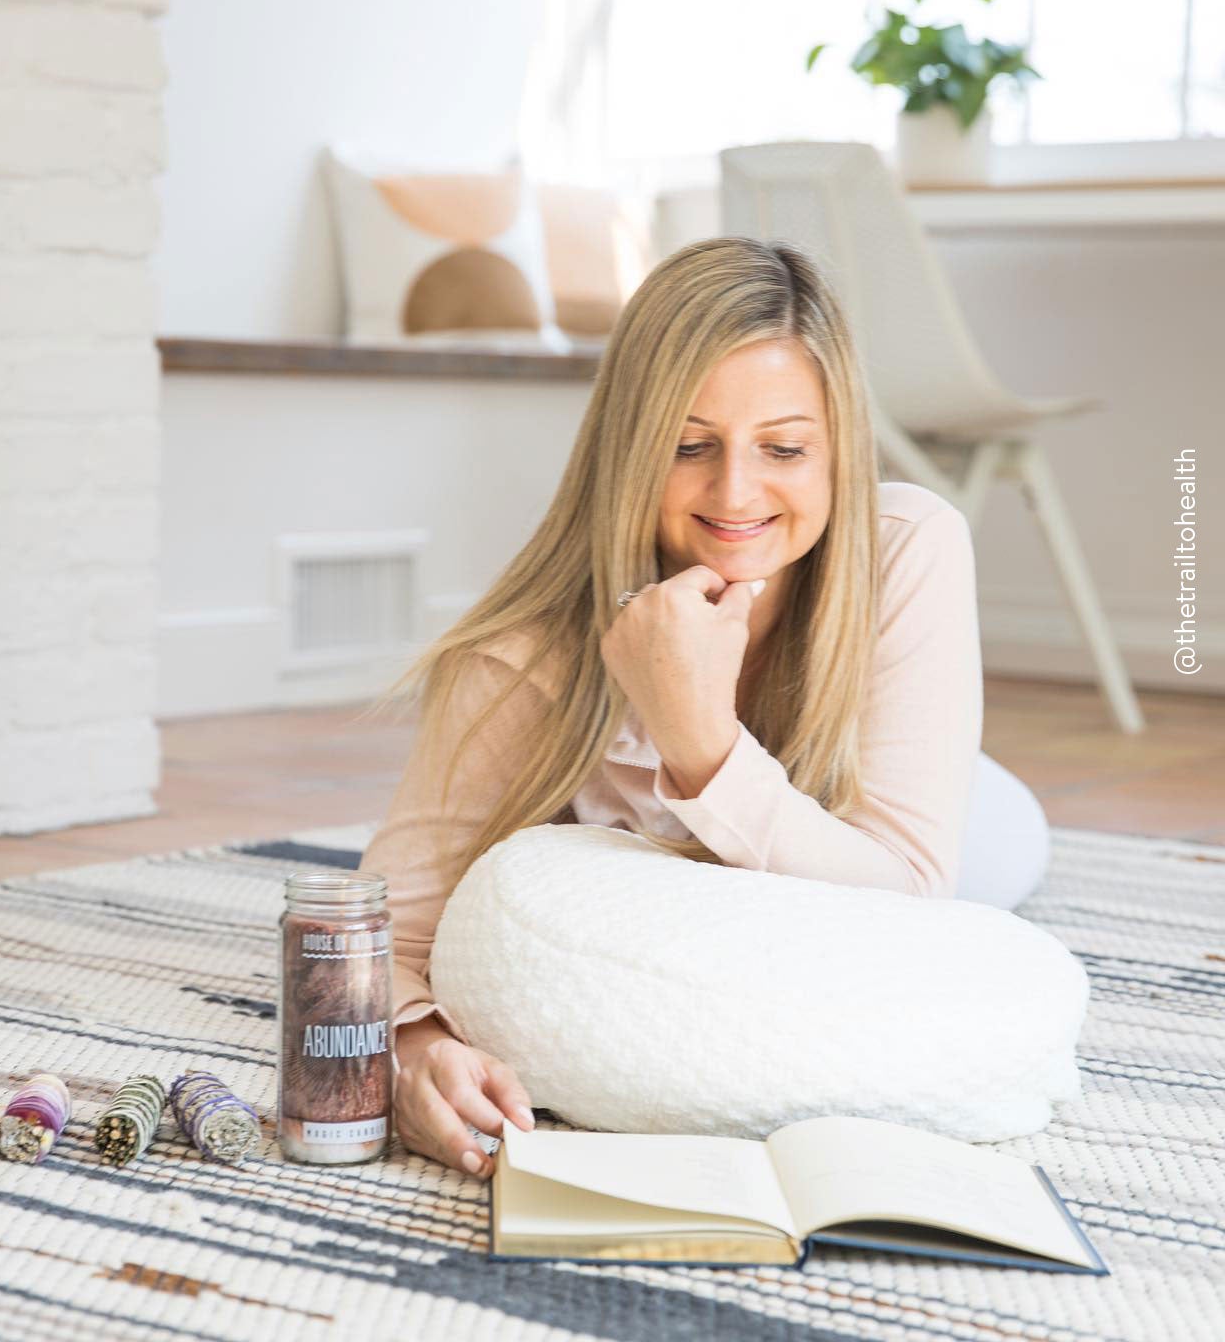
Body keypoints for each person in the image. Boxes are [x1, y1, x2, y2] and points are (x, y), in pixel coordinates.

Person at [355, 236, 1050, 1182]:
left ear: (839, 449)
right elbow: (378, 935)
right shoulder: (522, 659)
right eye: (689, 446)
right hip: (708, 923)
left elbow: (910, 897)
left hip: (929, 824)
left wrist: (697, 739)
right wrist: (417, 1046)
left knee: (1011, 845)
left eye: (785, 448)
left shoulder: (908, 547)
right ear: (627, 450)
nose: (734, 493)